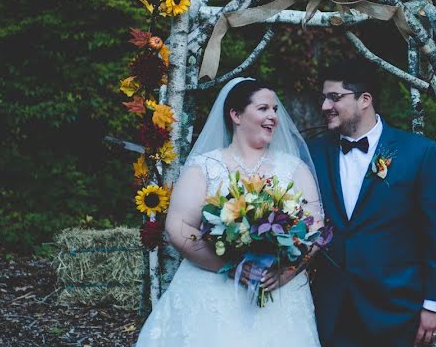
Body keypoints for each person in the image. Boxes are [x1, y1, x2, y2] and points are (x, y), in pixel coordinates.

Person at [136, 77, 323, 347]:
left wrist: (285, 273)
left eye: (275, 110)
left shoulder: (294, 168)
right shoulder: (205, 166)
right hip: (212, 291)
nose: (272, 116)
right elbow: (178, 226)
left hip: (278, 293)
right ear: (235, 114)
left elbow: (315, 229)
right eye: (263, 109)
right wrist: (230, 266)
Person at [307, 60, 436, 347]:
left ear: (365, 100)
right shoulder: (313, 153)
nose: (325, 106)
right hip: (331, 306)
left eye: (335, 97)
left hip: (396, 307)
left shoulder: (418, 153)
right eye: (324, 98)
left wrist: (435, 304)